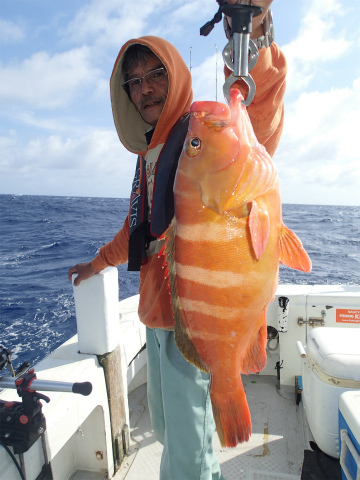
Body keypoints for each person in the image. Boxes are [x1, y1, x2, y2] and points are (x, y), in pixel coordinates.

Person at [68, 1, 286, 478]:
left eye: (155, 75)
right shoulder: (155, 151)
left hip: (197, 318)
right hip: (159, 320)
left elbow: (260, 109)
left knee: (188, 457)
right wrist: (97, 264)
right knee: (169, 432)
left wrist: (257, 32)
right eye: (136, 80)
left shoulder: (199, 135)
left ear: (176, 76)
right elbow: (138, 231)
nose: (145, 88)